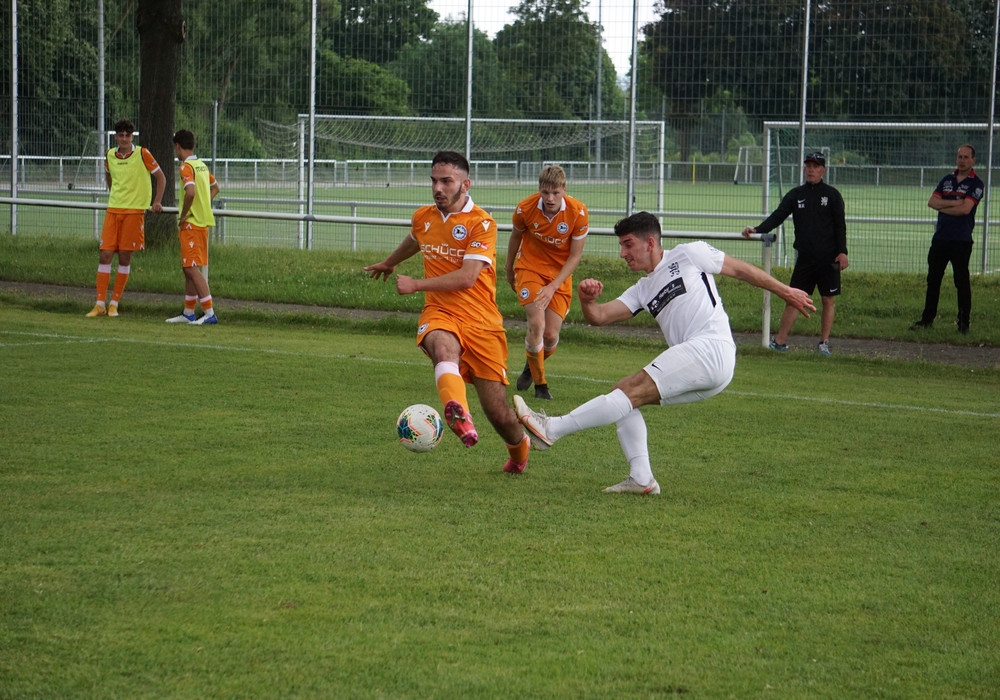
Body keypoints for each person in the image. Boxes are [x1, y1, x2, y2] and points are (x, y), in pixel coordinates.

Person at [514, 212, 816, 495]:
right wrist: (586, 300)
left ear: (650, 243)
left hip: (711, 347)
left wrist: (786, 291)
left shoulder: (688, 254)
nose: (622, 253)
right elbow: (600, 317)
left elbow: (740, 269)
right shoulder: (642, 289)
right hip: (707, 365)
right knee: (623, 394)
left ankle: (551, 428)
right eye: (621, 246)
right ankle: (642, 478)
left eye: (628, 245)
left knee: (628, 392)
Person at [365, 151, 531, 474]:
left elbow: (468, 277)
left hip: (482, 323)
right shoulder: (423, 216)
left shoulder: (482, 223)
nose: (437, 188)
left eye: (446, 181)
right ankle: (460, 415)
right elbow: (417, 239)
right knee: (442, 346)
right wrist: (389, 262)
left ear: (465, 185)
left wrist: (416, 284)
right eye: (433, 181)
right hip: (440, 311)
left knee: (498, 413)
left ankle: (519, 451)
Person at [741, 152, 847, 356]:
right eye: (808, 166)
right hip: (805, 259)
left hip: (829, 258)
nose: (811, 169)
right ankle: (779, 343)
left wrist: (842, 252)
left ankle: (824, 343)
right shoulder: (796, 195)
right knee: (793, 299)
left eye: (815, 166)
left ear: (823, 170)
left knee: (828, 299)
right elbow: (778, 216)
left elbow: (840, 226)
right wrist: (757, 229)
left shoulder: (832, 195)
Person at [505, 165, 589, 400]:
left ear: (564, 190)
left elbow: (574, 257)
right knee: (537, 324)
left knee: (550, 336)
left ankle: (532, 364)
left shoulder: (578, 213)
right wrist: (508, 268)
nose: (550, 198)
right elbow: (515, 237)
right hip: (529, 268)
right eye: (545, 192)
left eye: (555, 193)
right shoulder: (525, 208)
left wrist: (553, 286)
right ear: (539, 190)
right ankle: (541, 386)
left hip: (559, 276)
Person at [86, 118, 166, 318]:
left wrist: (156, 201)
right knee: (105, 254)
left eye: (127, 135)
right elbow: (109, 175)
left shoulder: (142, 153)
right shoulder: (109, 155)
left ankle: (114, 304)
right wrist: (115, 192)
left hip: (134, 211)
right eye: (120, 135)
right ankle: (99, 304)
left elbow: (161, 177)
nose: (124, 139)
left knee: (124, 256)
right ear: (115, 137)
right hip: (114, 210)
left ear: (132, 137)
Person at [910, 144, 984, 335]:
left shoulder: (976, 183)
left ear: (973, 160)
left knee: (961, 282)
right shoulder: (946, 180)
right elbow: (931, 202)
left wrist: (944, 206)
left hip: (961, 240)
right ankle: (927, 320)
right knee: (933, 280)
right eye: (960, 157)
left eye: (966, 157)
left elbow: (965, 209)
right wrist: (955, 203)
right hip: (940, 239)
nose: (962, 160)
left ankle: (963, 324)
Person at [165, 129, 221, 325]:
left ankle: (209, 312)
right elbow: (216, 187)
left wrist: (183, 215)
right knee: (189, 267)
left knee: (191, 269)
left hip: (192, 223)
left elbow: (190, 192)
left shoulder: (186, 167)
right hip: (202, 223)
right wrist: (203, 203)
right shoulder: (202, 166)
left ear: (178, 146)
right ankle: (188, 312)